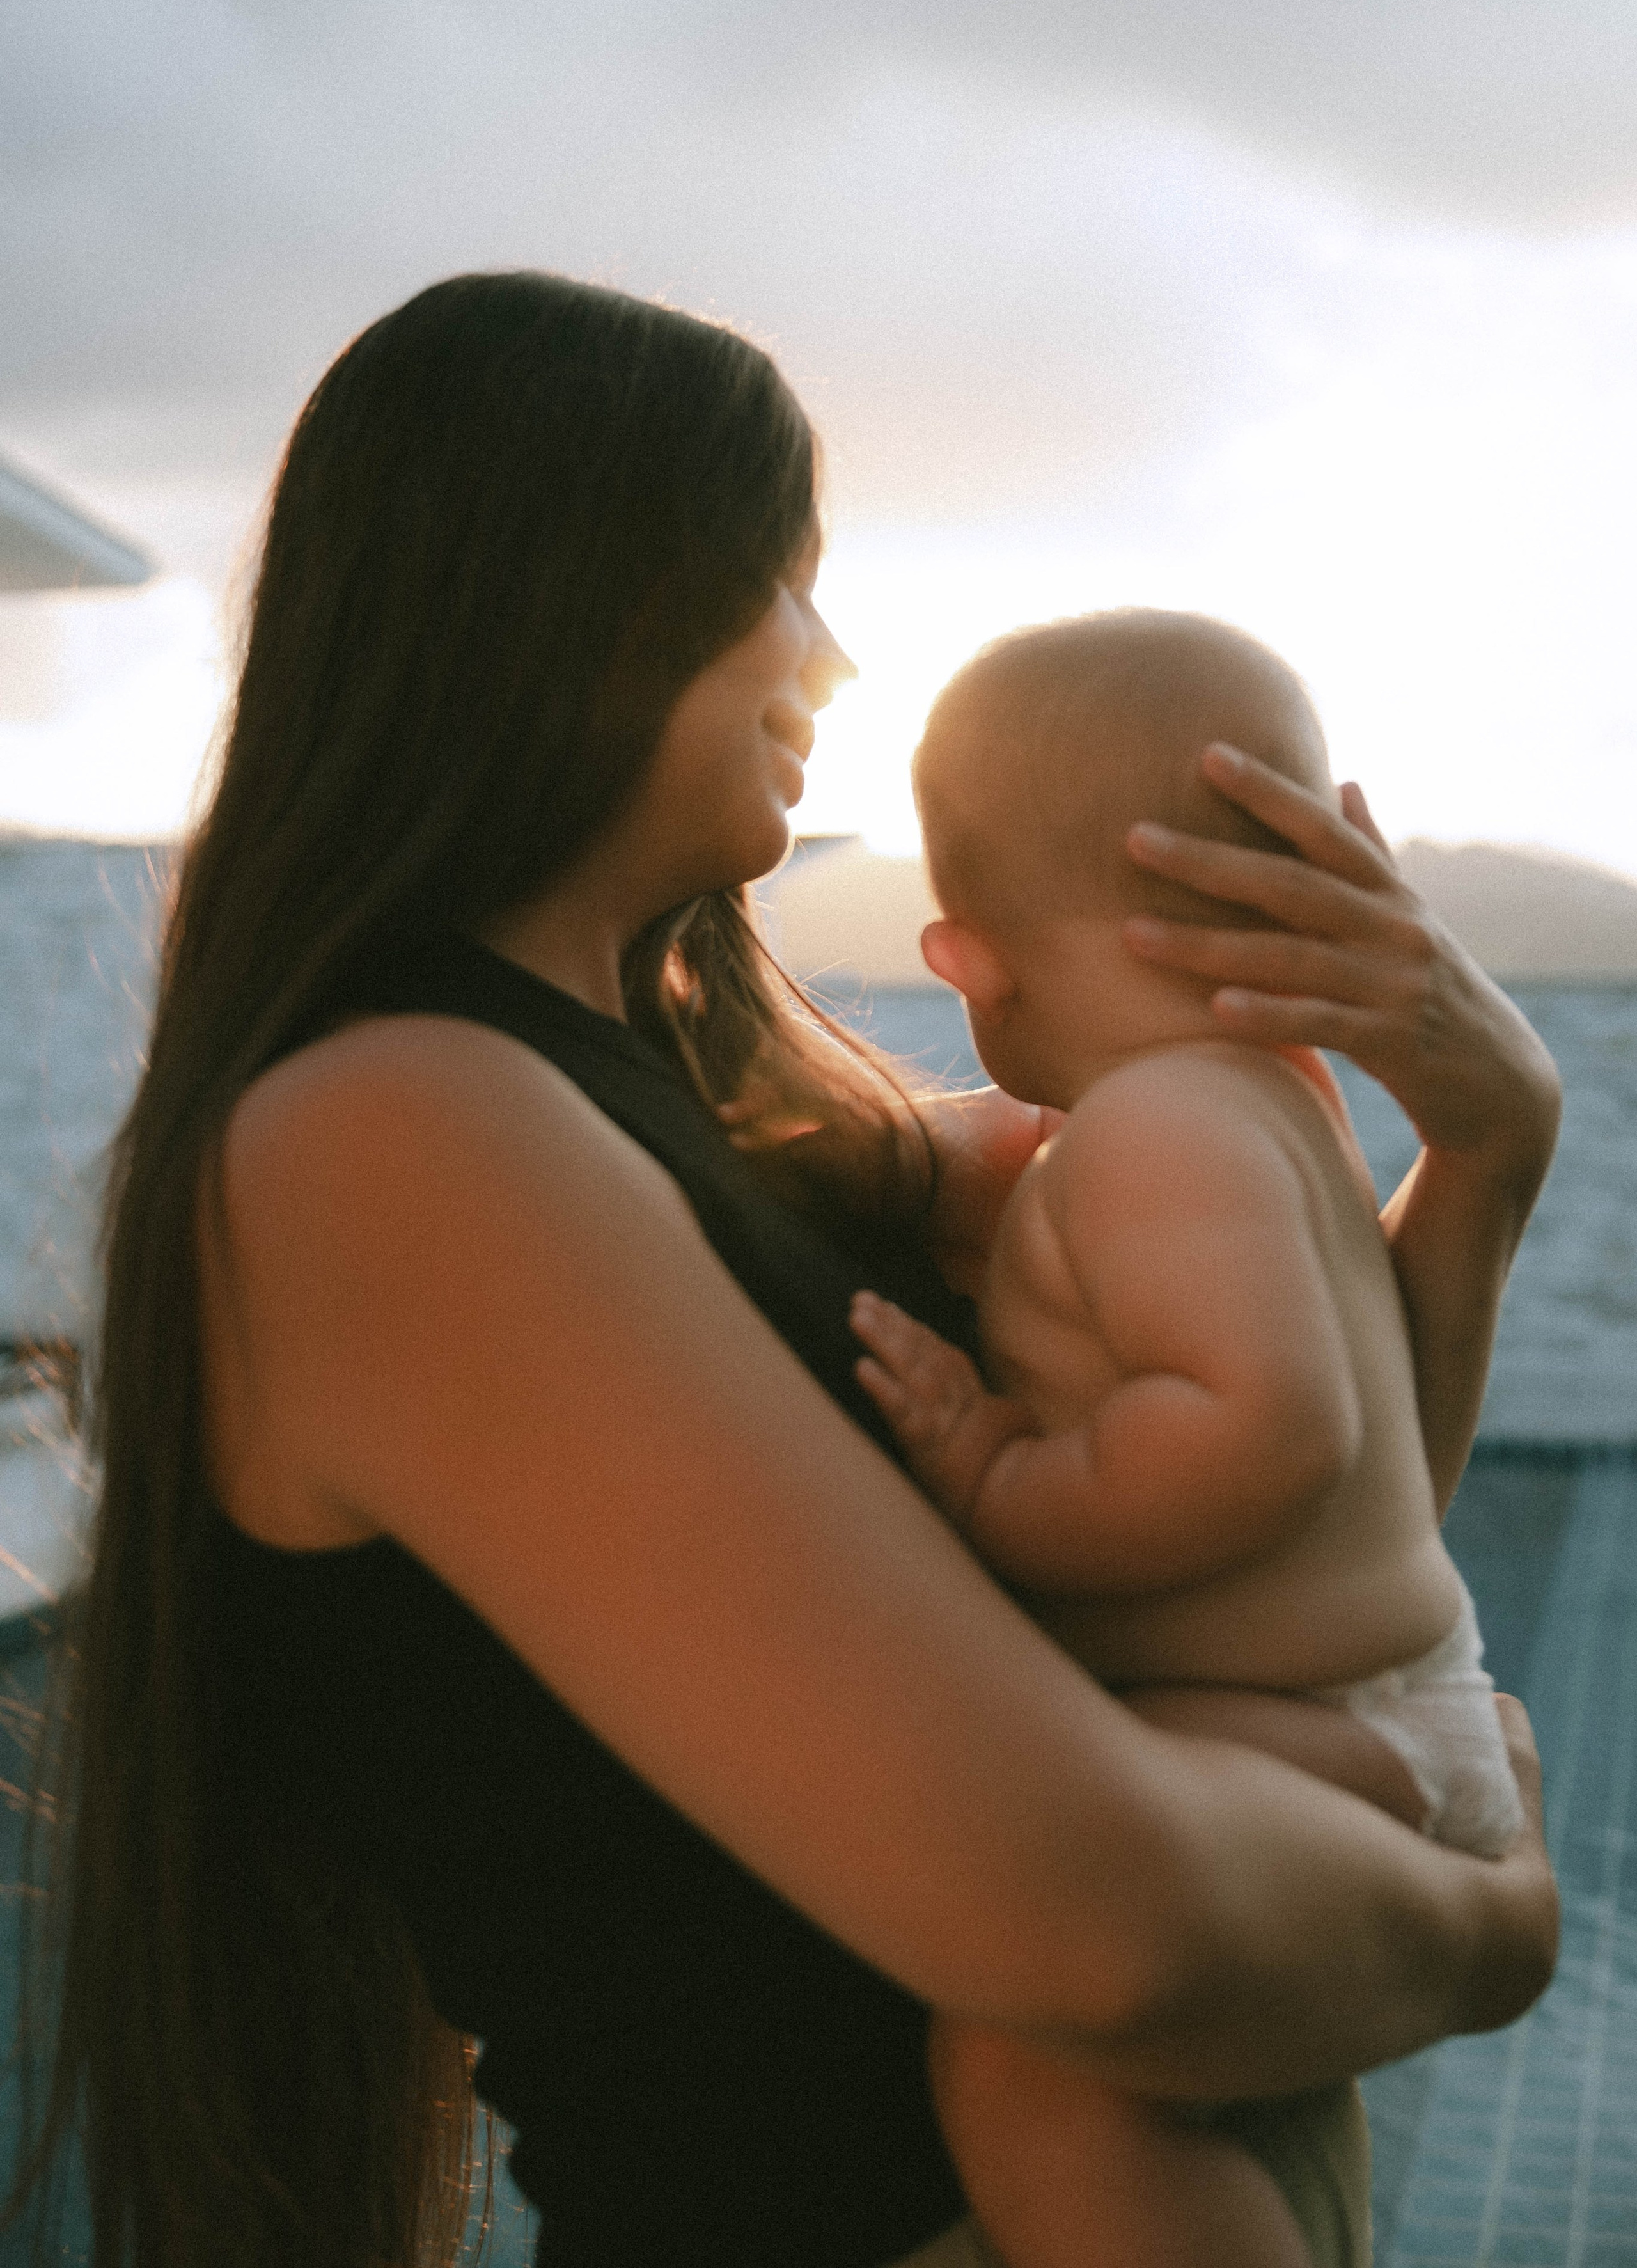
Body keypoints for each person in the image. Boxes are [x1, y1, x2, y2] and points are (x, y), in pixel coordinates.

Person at [2, 276, 1558, 2268]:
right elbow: (1094, 1924)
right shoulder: (394, 1138)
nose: (831, 654)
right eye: (783, 582)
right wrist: (1485, 1910)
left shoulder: (735, 1113)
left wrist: (1491, 1150)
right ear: (579, 600)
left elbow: (1328, 1529)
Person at [849, 610, 1537, 2268]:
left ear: (968, 962)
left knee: (1030, 2068)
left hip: (1327, 1736)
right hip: (1357, 1721)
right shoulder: (1280, 1091)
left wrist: (998, 1477)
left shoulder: (1151, 1134)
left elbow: (1271, 1433)